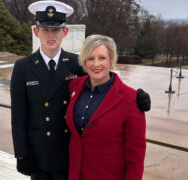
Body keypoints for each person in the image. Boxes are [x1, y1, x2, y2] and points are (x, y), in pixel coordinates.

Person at [10, 1, 150, 179]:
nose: (50, 35)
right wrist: (21, 153)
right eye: (45, 29)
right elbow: (18, 116)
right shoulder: (23, 67)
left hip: (69, 157)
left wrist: (138, 98)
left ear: (65, 32)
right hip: (39, 156)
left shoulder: (77, 64)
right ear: (36, 31)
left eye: (56, 30)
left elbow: (101, 77)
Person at [66, 35, 146, 180]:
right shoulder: (74, 86)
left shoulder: (131, 99)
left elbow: (136, 157)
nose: (96, 64)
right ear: (84, 61)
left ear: (111, 60)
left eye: (102, 58)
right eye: (90, 58)